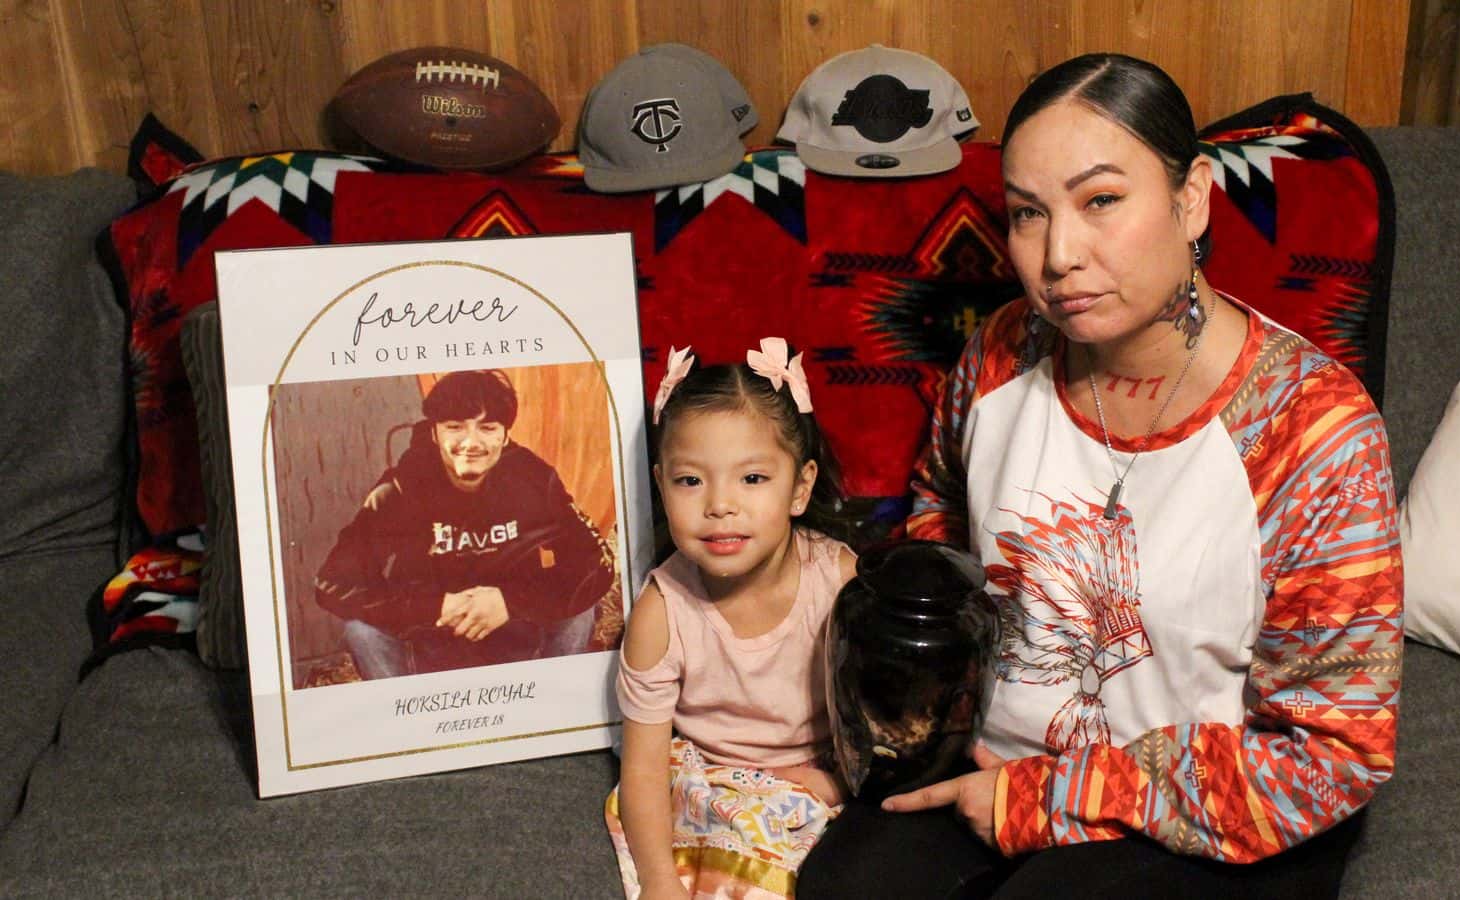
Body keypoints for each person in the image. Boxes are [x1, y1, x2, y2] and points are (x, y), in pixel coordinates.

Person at [797, 53, 1403, 899]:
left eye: (1102, 201)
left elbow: (1334, 755)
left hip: (1211, 807)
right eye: (1027, 214)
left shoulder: (1313, 431)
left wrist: (1052, 799)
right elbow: (941, 517)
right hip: (996, 761)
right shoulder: (1001, 352)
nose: (1058, 255)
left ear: (1191, 197)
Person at [606, 339, 858, 900]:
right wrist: (659, 882)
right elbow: (642, 773)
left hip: (823, 774)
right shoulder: (662, 612)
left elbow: (883, 720)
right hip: (709, 781)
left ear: (801, 486)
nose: (720, 504)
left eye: (752, 479)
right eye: (690, 480)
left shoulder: (839, 581)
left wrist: (838, 780)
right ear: (660, 483)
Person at [315, 368, 614, 678]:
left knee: (580, 611)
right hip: (429, 647)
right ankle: (410, 715)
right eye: (455, 427)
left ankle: (552, 706)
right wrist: (436, 606)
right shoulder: (401, 489)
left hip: (518, 638)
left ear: (505, 434)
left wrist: (511, 602)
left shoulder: (534, 479)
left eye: (487, 427)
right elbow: (332, 583)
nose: (472, 442)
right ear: (434, 432)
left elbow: (598, 563)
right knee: (361, 631)